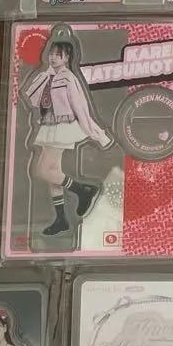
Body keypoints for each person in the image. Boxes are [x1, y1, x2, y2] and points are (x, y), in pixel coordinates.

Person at [24, 36, 112, 237]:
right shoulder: (48, 76)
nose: (53, 57)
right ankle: (61, 219)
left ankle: (83, 190)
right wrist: (46, 76)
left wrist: (91, 129)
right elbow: (33, 98)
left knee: (41, 170)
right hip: (49, 124)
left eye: (58, 54)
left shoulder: (68, 78)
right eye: (51, 53)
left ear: (67, 57)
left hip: (63, 127)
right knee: (53, 172)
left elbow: (79, 105)